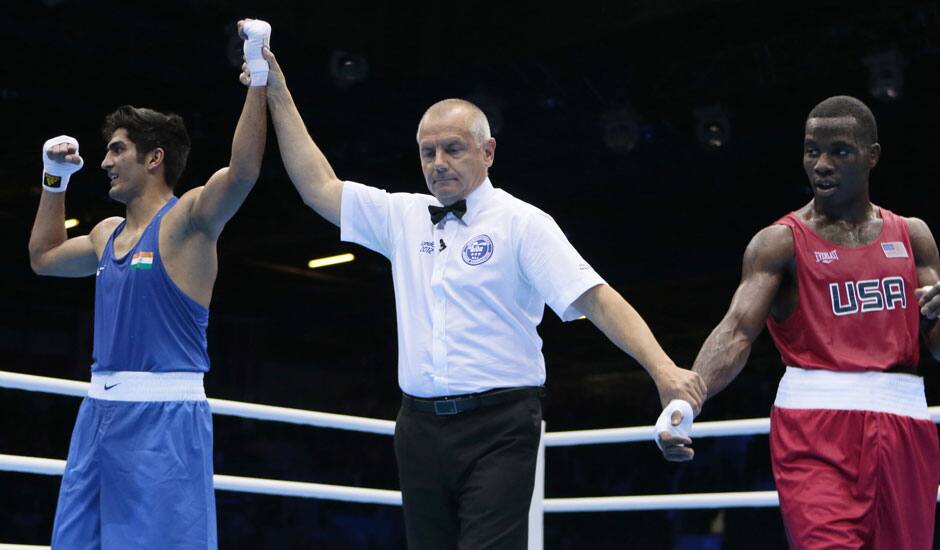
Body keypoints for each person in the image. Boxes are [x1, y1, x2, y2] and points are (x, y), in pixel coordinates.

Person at [252, 38, 706, 548]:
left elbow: (595, 296)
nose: (439, 162)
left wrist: (663, 369)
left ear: (488, 152)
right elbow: (318, 185)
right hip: (418, 426)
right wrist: (277, 92)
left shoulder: (522, 223)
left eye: (453, 148)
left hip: (500, 426)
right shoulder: (402, 216)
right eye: (428, 152)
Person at [27, 19, 270, 549]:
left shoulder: (187, 222)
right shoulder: (105, 233)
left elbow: (245, 171)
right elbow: (43, 258)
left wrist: (258, 75)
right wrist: (53, 180)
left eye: (117, 150)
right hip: (97, 414)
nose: (106, 161)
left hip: (164, 421)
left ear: (154, 158)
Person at [658, 95, 940, 549]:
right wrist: (687, 400)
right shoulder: (779, 243)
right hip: (815, 431)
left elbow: (937, 344)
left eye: (840, 151)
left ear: (872, 156)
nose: (822, 164)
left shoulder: (912, 236)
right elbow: (736, 330)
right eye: (812, 151)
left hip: (904, 426)